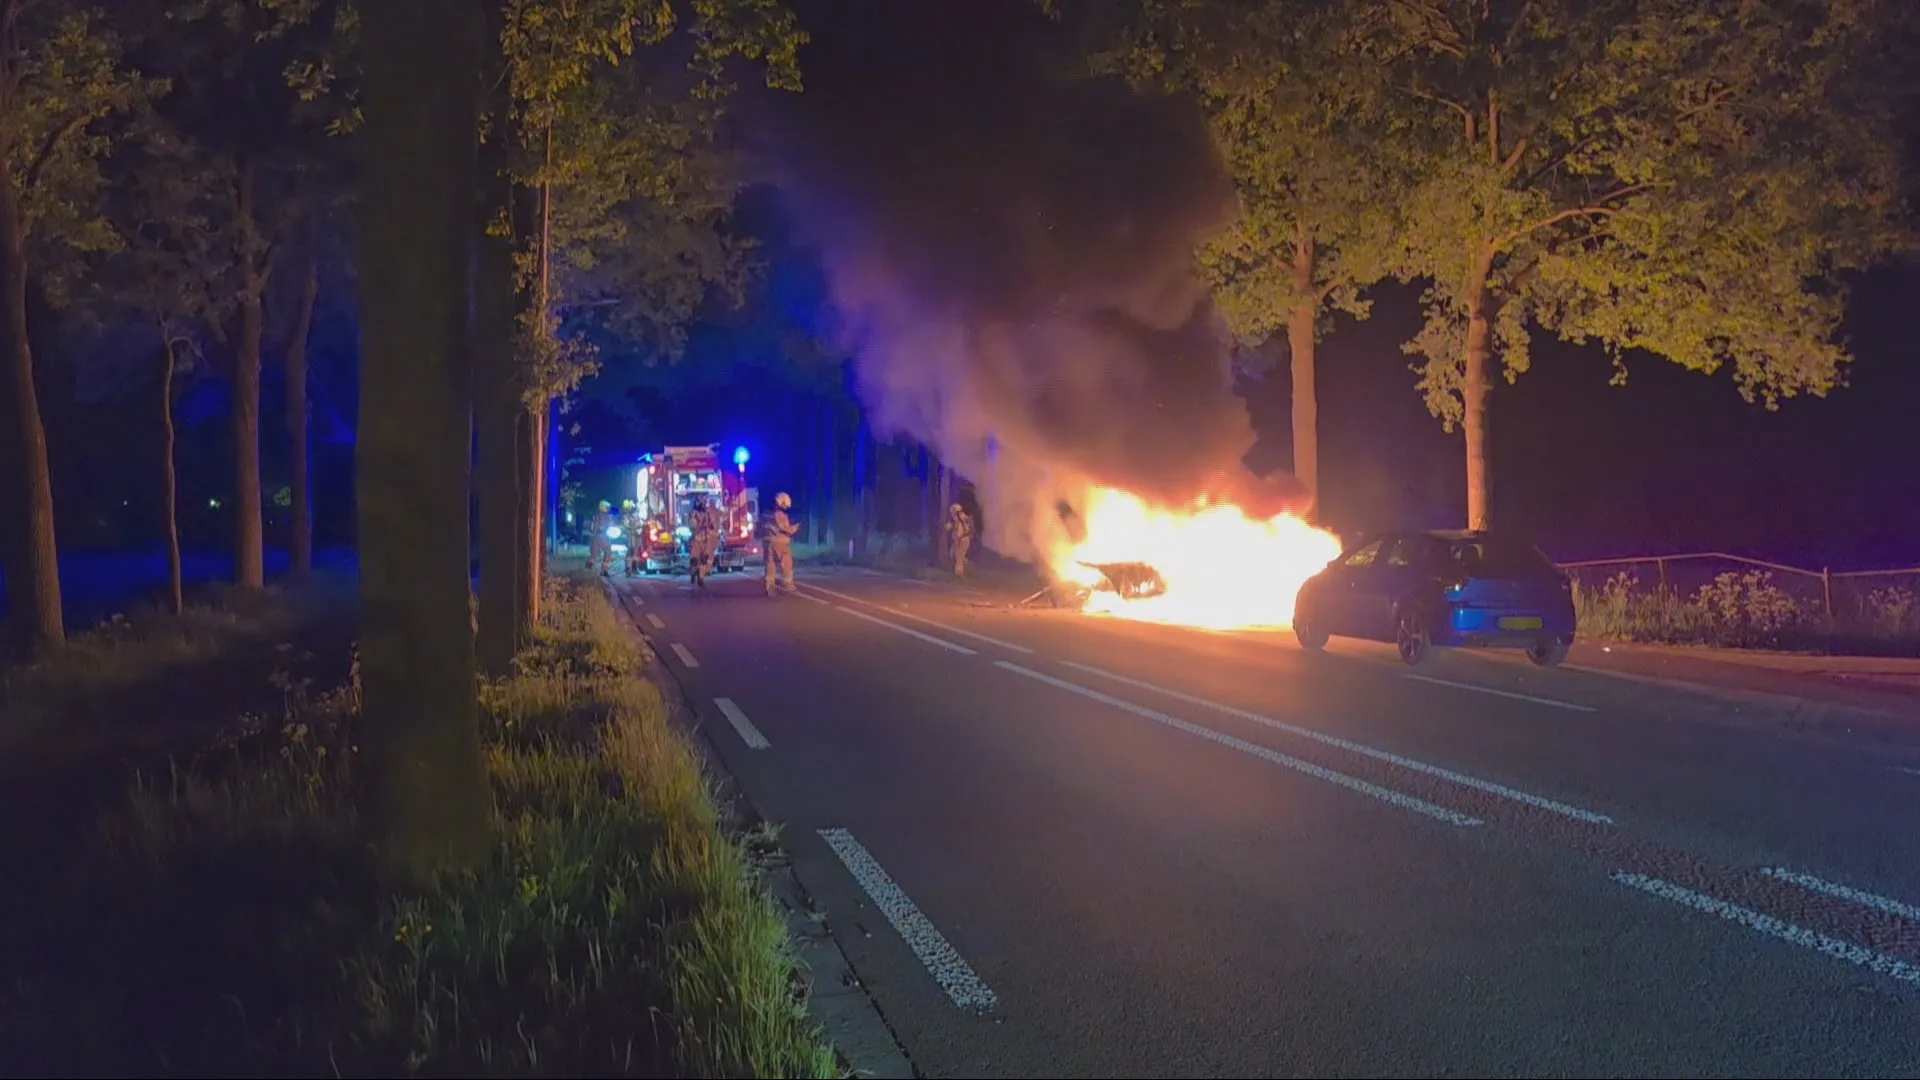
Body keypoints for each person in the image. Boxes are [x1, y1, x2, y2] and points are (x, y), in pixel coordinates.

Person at [762, 491, 799, 596]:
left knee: (770, 565)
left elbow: (760, 528)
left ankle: (769, 588)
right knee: (786, 564)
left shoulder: (766, 514)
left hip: (768, 543)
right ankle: (788, 585)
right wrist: (794, 528)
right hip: (781, 543)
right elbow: (783, 528)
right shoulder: (780, 515)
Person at [688, 495, 723, 588]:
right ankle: (693, 574)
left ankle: (701, 578)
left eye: (703, 502)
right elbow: (692, 526)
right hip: (696, 540)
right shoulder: (693, 514)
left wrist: (712, 528)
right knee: (694, 560)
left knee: (704, 559)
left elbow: (712, 524)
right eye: (701, 502)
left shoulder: (707, 514)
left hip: (705, 539)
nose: (702, 504)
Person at [946, 501, 974, 578]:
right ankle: (964, 565)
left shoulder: (957, 518)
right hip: (965, 539)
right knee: (956, 555)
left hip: (961, 540)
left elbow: (949, 527)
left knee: (958, 557)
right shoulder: (965, 517)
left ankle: (959, 574)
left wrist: (947, 527)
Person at [588, 500, 616, 575]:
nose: (608, 509)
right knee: (607, 553)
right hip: (605, 538)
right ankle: (604, 571)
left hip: (596, 537)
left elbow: (591, 528)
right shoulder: (608, 517)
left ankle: (588, 570)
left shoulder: (596, 516)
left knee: (594, 554)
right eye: (607, 507)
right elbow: (611, 525)